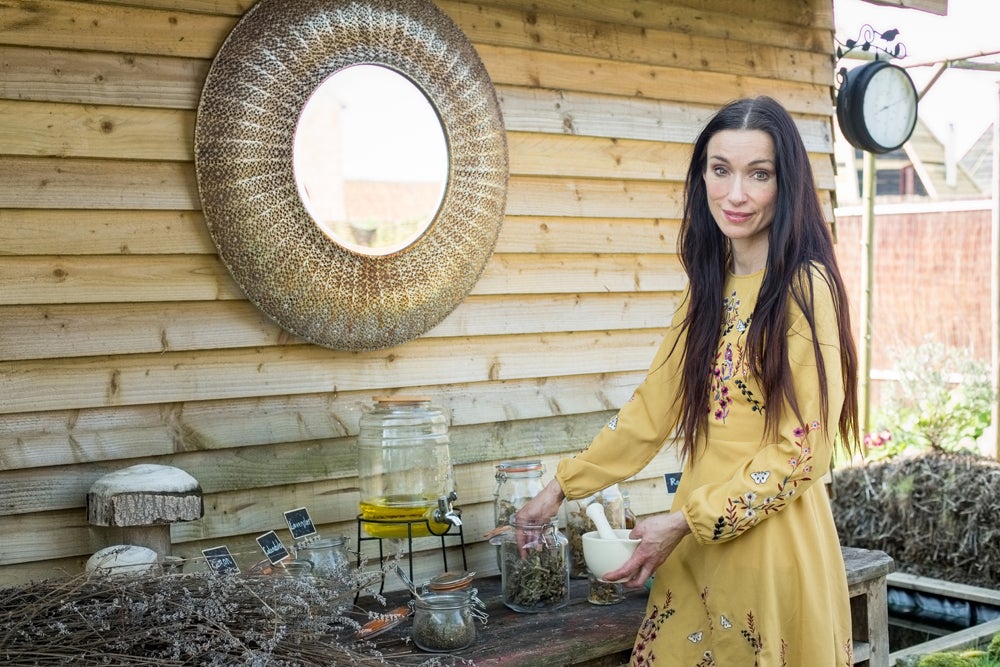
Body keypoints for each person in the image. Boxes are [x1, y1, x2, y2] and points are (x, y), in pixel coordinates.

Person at [515, 96, 860, 666]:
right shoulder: (706, 291)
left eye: (759, 174)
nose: (736, 194)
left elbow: (804, 451)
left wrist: (684, 520)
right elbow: (650, 413)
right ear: (702, 177)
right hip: (694, 547)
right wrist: (558, 488)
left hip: (773, 550)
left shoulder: (806, 288)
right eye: (721, 170)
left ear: (787, 184)